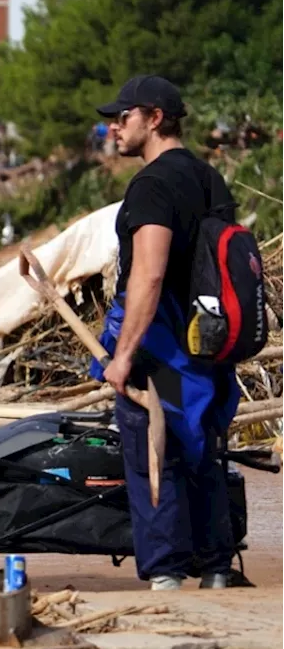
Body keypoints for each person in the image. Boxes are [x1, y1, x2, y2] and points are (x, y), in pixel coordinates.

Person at [95, 75, 239, 591]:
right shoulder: (208, 178)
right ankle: (217, 566)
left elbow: (150, 274)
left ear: (154, 118)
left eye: (124, 116)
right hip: (210, 343)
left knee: (154, 450)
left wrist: (123, 354)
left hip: (163, 351)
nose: (113, 126)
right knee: (203, 447)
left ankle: (166, 575)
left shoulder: (154, 184)